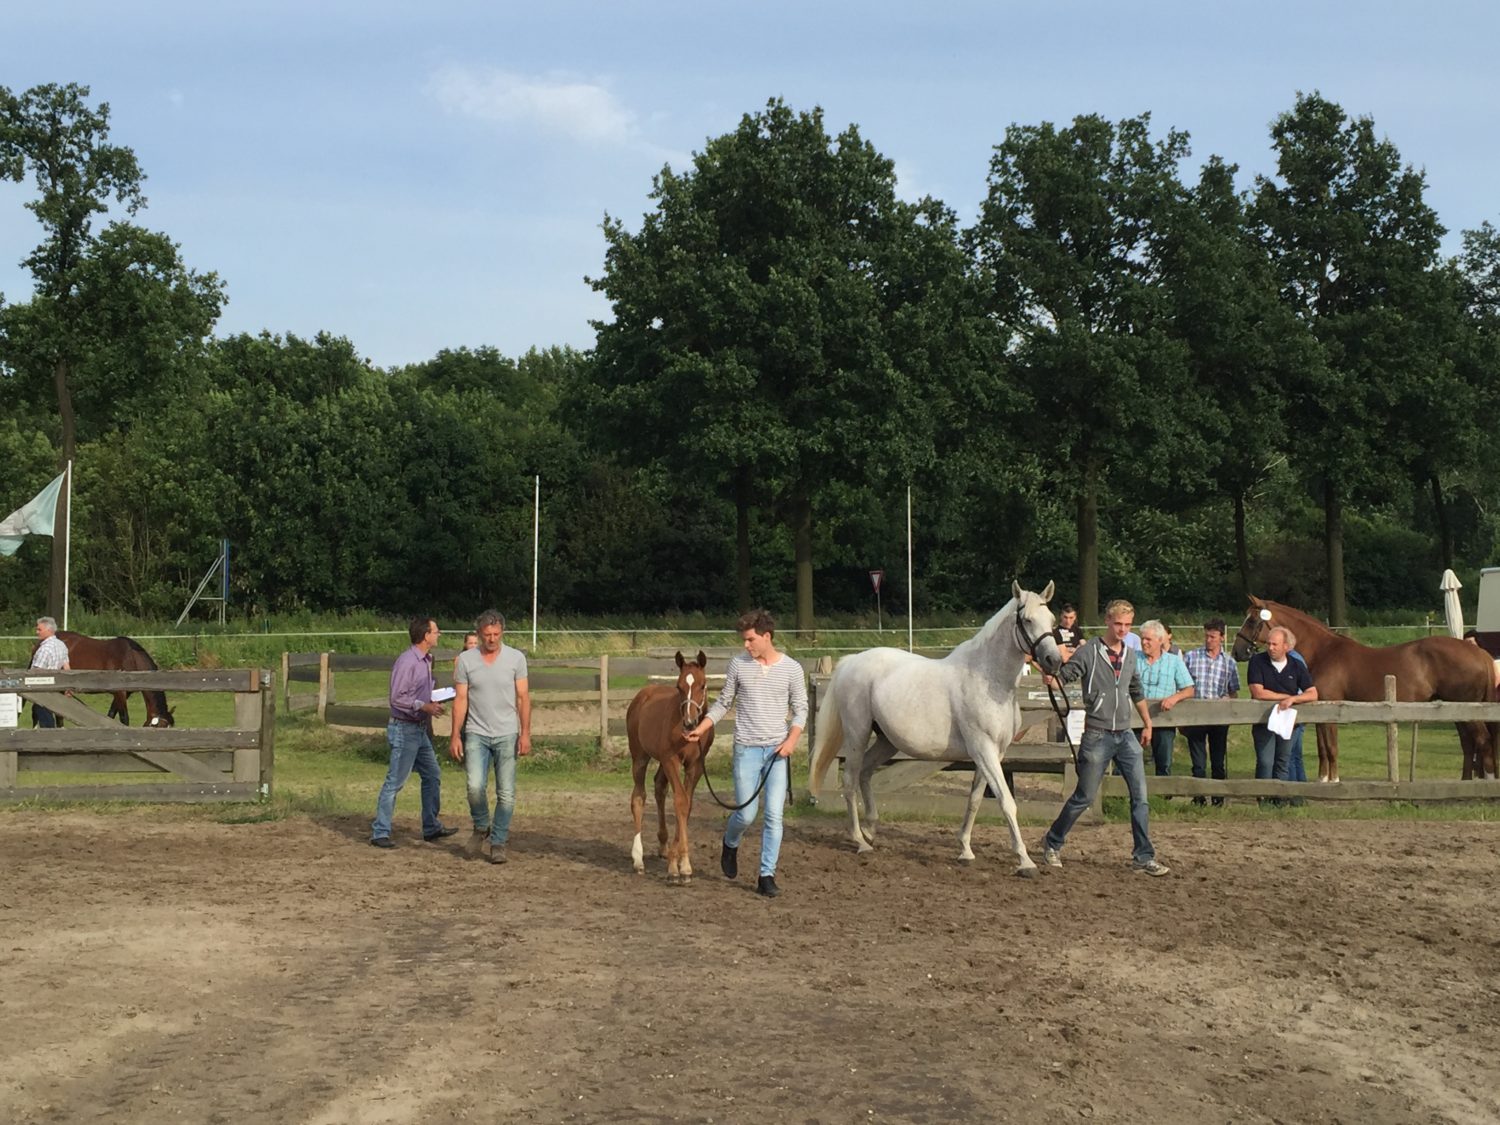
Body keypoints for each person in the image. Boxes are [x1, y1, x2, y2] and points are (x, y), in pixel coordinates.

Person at [1039, 598, 1170, 877]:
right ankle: (1052, 841)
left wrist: (1147, 723)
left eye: (1127, 625)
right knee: (1084, 797)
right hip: (1097, 734)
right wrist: (1053, 678)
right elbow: (1067, 674)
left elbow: (1136, 690)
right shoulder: (1091, 652)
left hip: (1125, 735)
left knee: (1140, 797)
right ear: (1108, 621)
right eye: (1118, 624)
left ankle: (1143, 856)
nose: (1123, 629)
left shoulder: (1130, 655)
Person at [686, 608, 808, 898]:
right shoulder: (738, 665)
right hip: (747, 750)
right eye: (744, 640)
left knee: (774, 816)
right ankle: (730, 842)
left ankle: (766, 874)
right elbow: (723, 703)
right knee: (746, 813)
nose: (746, 645)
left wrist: (792, 740)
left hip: (777, 752)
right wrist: (701, 728)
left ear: (767, 637)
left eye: (751, 639)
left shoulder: (791, 669)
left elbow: (801, 709)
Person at [449, 610, 531, 864]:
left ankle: (498, 840)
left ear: (502, 633)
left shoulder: (516, 659)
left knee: (506, 792)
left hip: (507, 732)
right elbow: (460, 699)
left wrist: (525, 733)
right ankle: (482, 825)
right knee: (474, 786)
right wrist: (455, 735)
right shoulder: (466, 660)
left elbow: (523, 697)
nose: (492, 639)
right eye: (487, 635)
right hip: (476, 732)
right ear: (479, 634)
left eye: (496, 635)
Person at [370, 616, 458, 848]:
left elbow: (415, 693)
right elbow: (397, 698)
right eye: (436, 631)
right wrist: (425, 706)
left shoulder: (426, 661)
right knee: (395, 781)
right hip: (404, 728)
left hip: (418, 730)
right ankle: (380, 831)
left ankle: (430, 826)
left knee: (432, 774)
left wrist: (435, 698)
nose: (438, 634)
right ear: (425, 635)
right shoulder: (407, 662)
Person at [1246, 625, 1318, 803]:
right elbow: (1258, 692)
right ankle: (1264, 799)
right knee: (1265, 761)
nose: (1270, 648)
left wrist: (1293, 700)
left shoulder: (1296, 665)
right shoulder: (1257, 662)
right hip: (1264, 720)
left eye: (1275, 644)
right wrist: (1287, 697)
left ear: (1286, 646)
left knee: (1283, 761)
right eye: (1269, 644)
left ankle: (1279, 800)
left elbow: (1313, 693)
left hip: (1288, 721)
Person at [1181, 618, 1241, 805]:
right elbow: (1182, 685)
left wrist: (1228, 701)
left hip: (1218, 716)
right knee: (1198, 761)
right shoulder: (1191, 657)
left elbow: (1234, 691)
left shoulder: (1229, 663)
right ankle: (1199, 796)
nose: (1209, 640)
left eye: (1213, 637)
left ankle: (1218, 797)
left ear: (1222, 638)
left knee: (1217, 760)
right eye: (1206, 636)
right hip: (1196, 715)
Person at [1136, 620, 1194, 778]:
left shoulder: (1174, 661)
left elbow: (1189, 689)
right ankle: (1122, 795)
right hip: (1135, 718)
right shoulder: (1132, 658)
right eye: (1142, 638)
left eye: (1148, 639)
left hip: (1163, 718)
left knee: (1163, 762)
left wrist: (1175, 698)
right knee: (1128, 759)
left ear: (1160, 640)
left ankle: (1163, 797)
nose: (1144, 642)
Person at [30, 615, 70, 728]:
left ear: (49, 630)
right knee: (48, 714)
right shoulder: (62, 645)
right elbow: (67, 667)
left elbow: (36, 671)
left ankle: (48, 739)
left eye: (39, 629)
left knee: (44, 716)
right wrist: (69, 686)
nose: (37, 632)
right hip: (55, 688)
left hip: (42, 688)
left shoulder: (44, 649)